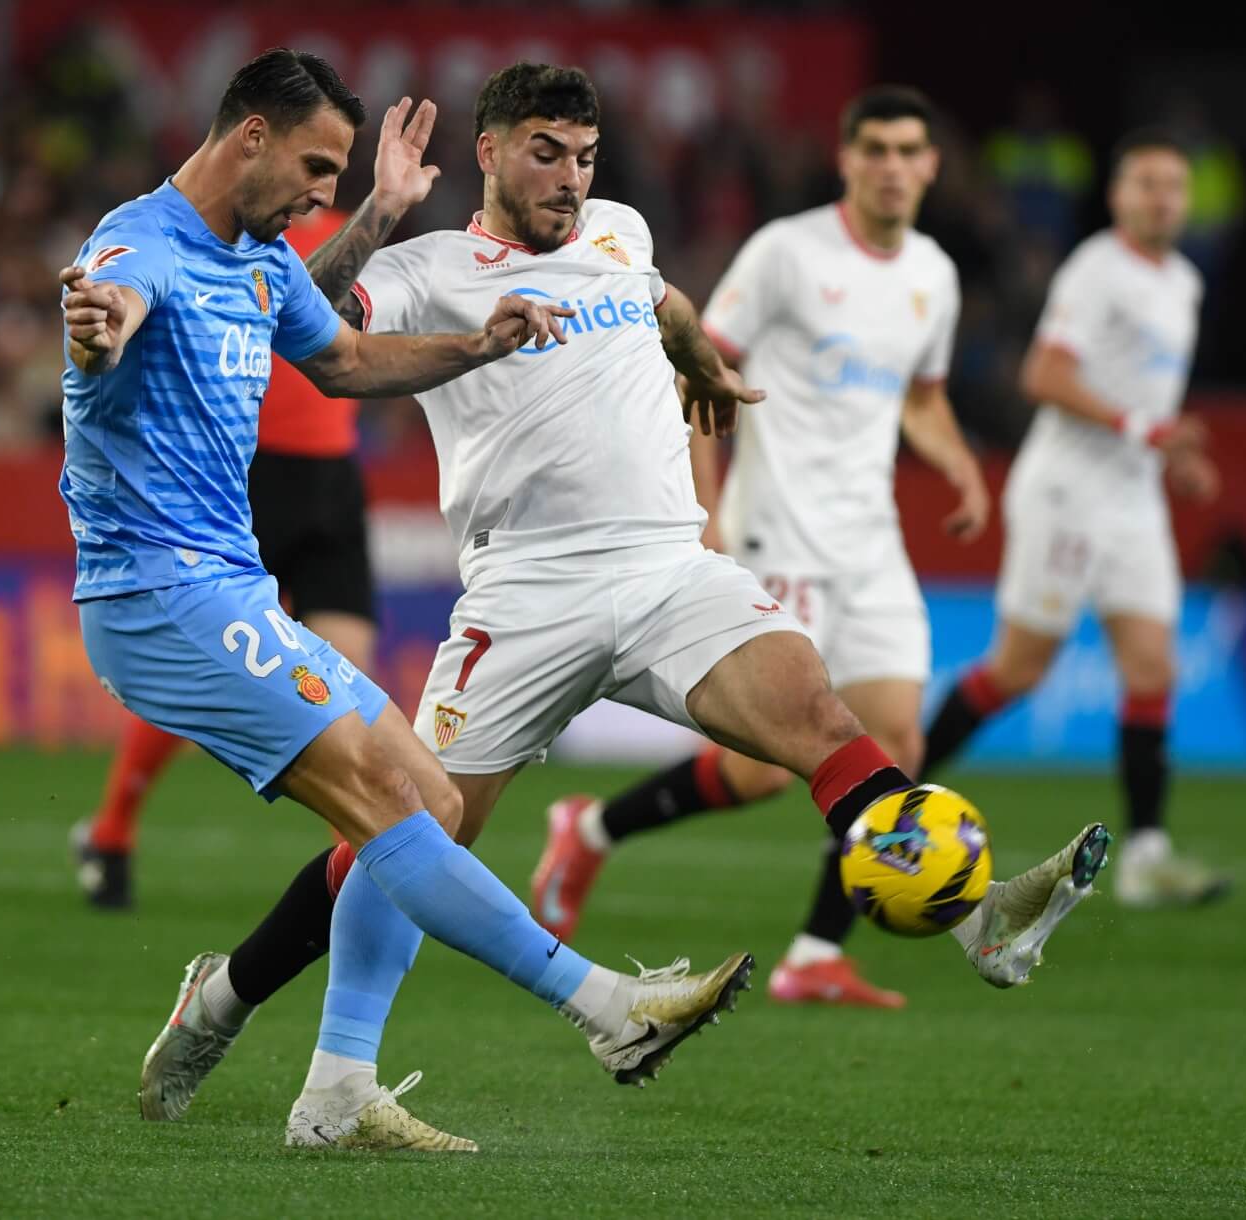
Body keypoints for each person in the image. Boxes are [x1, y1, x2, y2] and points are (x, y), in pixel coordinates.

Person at [61, 49, 755, 1154]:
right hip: (157, 593)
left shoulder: (254, 256)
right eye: (317, 168)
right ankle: (606, 1007)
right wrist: (99, 331)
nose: (321, 196)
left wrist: (470, 343)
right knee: (392, 797)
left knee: (422, 801)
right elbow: (114, 309)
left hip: (225, 583)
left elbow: (341, 360)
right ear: (250, 135)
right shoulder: (138, 244)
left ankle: (324, 1080)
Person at [529, 85, 991, 1010]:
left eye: (910, 151)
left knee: (895, 741)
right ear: (847, 158)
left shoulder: (933, 274)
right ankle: (591, 828)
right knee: (760, 769)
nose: (893, 166)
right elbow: (698, 357)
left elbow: (920, 396)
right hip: (781, 527)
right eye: (877, 150)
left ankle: (815, 952)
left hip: (872, 538)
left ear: (932, 166)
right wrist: (708, 505)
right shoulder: (788, 252)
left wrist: (964, 468)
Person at [920, 128, 1228, 907]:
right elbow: (1044, 372)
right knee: (1018, 671)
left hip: (1133, 497)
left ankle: (1146, 857)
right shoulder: (1099, 270)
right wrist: (1140, 429)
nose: (1163, 198)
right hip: (1066, 493)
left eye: (1174, 186)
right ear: (1119, 196)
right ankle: (886, 797)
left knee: (1154, 667)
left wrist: (1171, 453)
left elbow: (1143, 398)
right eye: (1147, 184)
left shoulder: (1184, 280)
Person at [71, 207, 385, 910]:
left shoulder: (359, 232)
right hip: (246, 471)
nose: (316, 182)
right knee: (205, 662)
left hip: (335, 476)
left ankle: (353, 882)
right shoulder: (233, 245)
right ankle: (113, 827)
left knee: (348, 679)